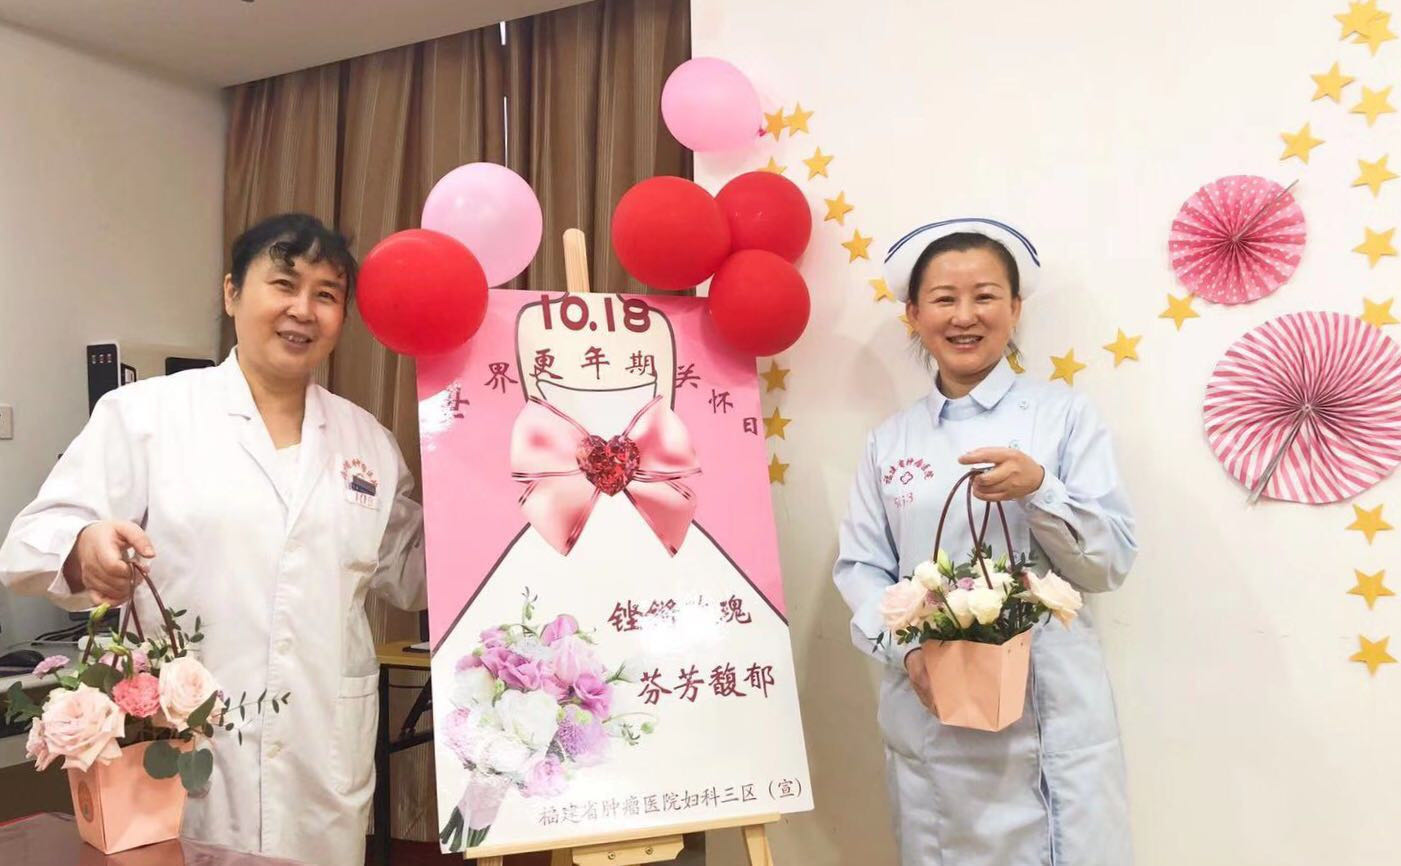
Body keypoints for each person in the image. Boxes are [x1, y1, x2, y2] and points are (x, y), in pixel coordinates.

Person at [0, 213, 427, 866]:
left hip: (321, 756)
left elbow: (410, 571)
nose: (302, 310)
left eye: (326, 294)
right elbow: (31, 542)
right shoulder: (145, 416)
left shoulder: (367, 442)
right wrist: (86, 547)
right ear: (231, 293)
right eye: (283, 283)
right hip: (179, 756)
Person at [833, 218, 1138, 866]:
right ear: (914, 314)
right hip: (933, 712)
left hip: (1054, 709)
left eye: (985, 296)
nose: (964, 316)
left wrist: (1041, 489)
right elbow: (861, 566)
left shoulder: (1063, 417)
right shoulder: (890, 441)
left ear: (1015, 308)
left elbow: (1109, 562)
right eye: (944, 298)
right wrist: (908, 651)